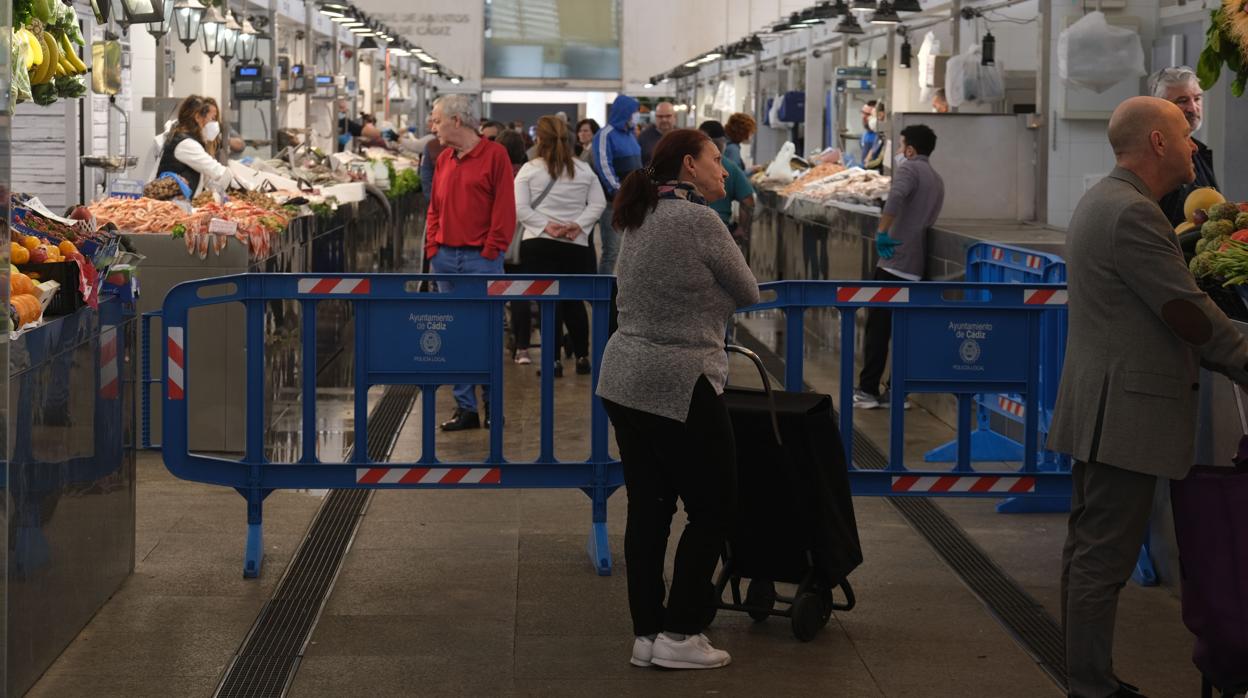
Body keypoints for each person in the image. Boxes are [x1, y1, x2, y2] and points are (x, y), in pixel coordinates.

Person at [1049, 96, 1248, 698]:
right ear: (1159, 143)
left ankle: (1087, 675)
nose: (1195, 147)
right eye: (1187, 135)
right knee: (1102, 556)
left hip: (1104, 405)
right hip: (1126, 412)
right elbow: (1186, 313)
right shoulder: (1133, 214)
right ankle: (1090, 685)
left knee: (1089, 550)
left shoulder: (1104, 202)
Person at [596, 128, 759, 671]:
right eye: (716, 160)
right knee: (715, 505)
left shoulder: (639, 214)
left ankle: (647, 634)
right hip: (679, 381)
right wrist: (713, 297)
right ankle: (682, 630)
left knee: (649, 507)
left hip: (623, 378)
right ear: (689, 165)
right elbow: (749, 291)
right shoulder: (700, 220)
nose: (723, 170)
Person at [425, 94, 517, 432]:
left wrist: (492, 251)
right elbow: (434, 207)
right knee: (452, 334)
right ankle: (466, 408)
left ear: (457, 121)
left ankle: (492, 405)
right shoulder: (444, 159)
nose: (432, 126)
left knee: (486, 334)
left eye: (436, 120)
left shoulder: (495, 156)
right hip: (445, 259)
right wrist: (434, 247)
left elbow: (505, 209)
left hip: (482, 260)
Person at [854, 124, 944, 409]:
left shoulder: (908, 170)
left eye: (901, 145)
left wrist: (883, 232)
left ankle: (868, 390)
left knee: (877, 330)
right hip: (915, 265)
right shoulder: (936, 179)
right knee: (904, 331)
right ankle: (897, 391)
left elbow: (895, 197)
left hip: (893, 262)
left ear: (910, 149)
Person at [510, 116, 606, 373]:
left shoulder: (529, 170)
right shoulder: (583, 170)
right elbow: (598, 204)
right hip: (576, 245)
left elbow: (520, 208)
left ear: (539, 139)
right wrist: (578, 225)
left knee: (547, 302)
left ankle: (552, 360)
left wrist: (545, 226)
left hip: (539, 246)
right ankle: (583, 356)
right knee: (575, 301)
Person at [1149, 66, 1219, 228]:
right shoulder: (1159, 154)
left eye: (1197, 99)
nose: (1193, 108)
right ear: (1160, 106)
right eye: (1182, 101)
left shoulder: (1199, 151)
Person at [589, 94, 643, 275]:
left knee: (631, 250)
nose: (637, 115)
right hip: (614, 203)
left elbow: (639, 167)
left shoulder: (631, 136)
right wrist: (618, 191)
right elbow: (604, 166)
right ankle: (602, 295)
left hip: (634, 201)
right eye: (635, 111)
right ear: (625, 111)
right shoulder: (605, 135)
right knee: (611, 251)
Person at [154, 95, 234, 197]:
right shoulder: (186, 144)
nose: (214, 124)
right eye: (212, 118)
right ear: (197, 117)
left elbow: (206, 178)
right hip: (170, 206)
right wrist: (240, 180)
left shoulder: (187, 139)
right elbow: (215, 170)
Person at [697, 120, 754, 246]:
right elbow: (748, 201)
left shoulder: (690, 164)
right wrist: (742, 229)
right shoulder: (730, 167)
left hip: (691, 229)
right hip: (720, 229)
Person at [201, 97, 244, 165]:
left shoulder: (221, 128)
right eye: (211, 117)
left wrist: (222, 140)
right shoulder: (194, 139)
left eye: (215, 117)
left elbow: (240, 145)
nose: (212, 121)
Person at [638, 101, 677, 166]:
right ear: (655, 117)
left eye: (668, 116)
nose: (664, 120)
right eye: (660, 116)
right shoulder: (644, 137)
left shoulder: (682, 136)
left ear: (675, 117)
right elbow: (640, 164)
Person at [861, 102, 887, 172]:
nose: (864, 116)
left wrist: (867, 164)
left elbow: (878, 159)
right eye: (862, 112)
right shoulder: (866, 134)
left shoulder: (882, 136)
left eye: (869, 114)